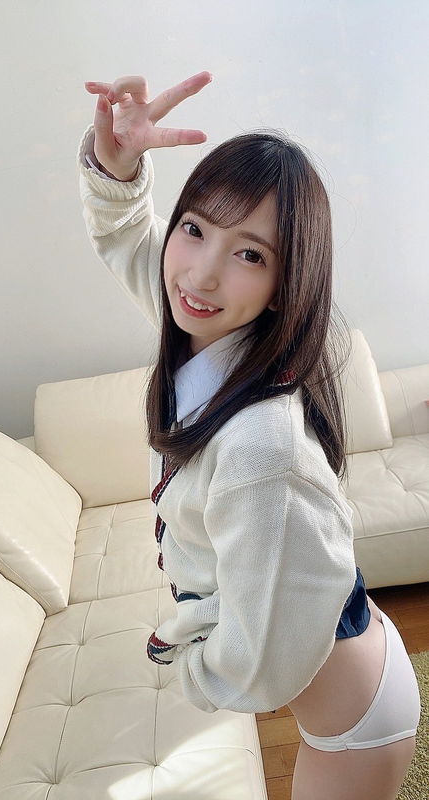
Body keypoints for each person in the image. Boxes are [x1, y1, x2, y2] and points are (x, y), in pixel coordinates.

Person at [78, 71, 421, 799]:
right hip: (346, 657)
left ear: (284, 282)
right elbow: (126, 237)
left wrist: (186, 658)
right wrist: (117, 167)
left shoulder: (262, 448)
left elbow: (263, 667)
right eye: (194, 228)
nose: (200, 274)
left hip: (355, 718)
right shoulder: (205, 329)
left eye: (250, 254)